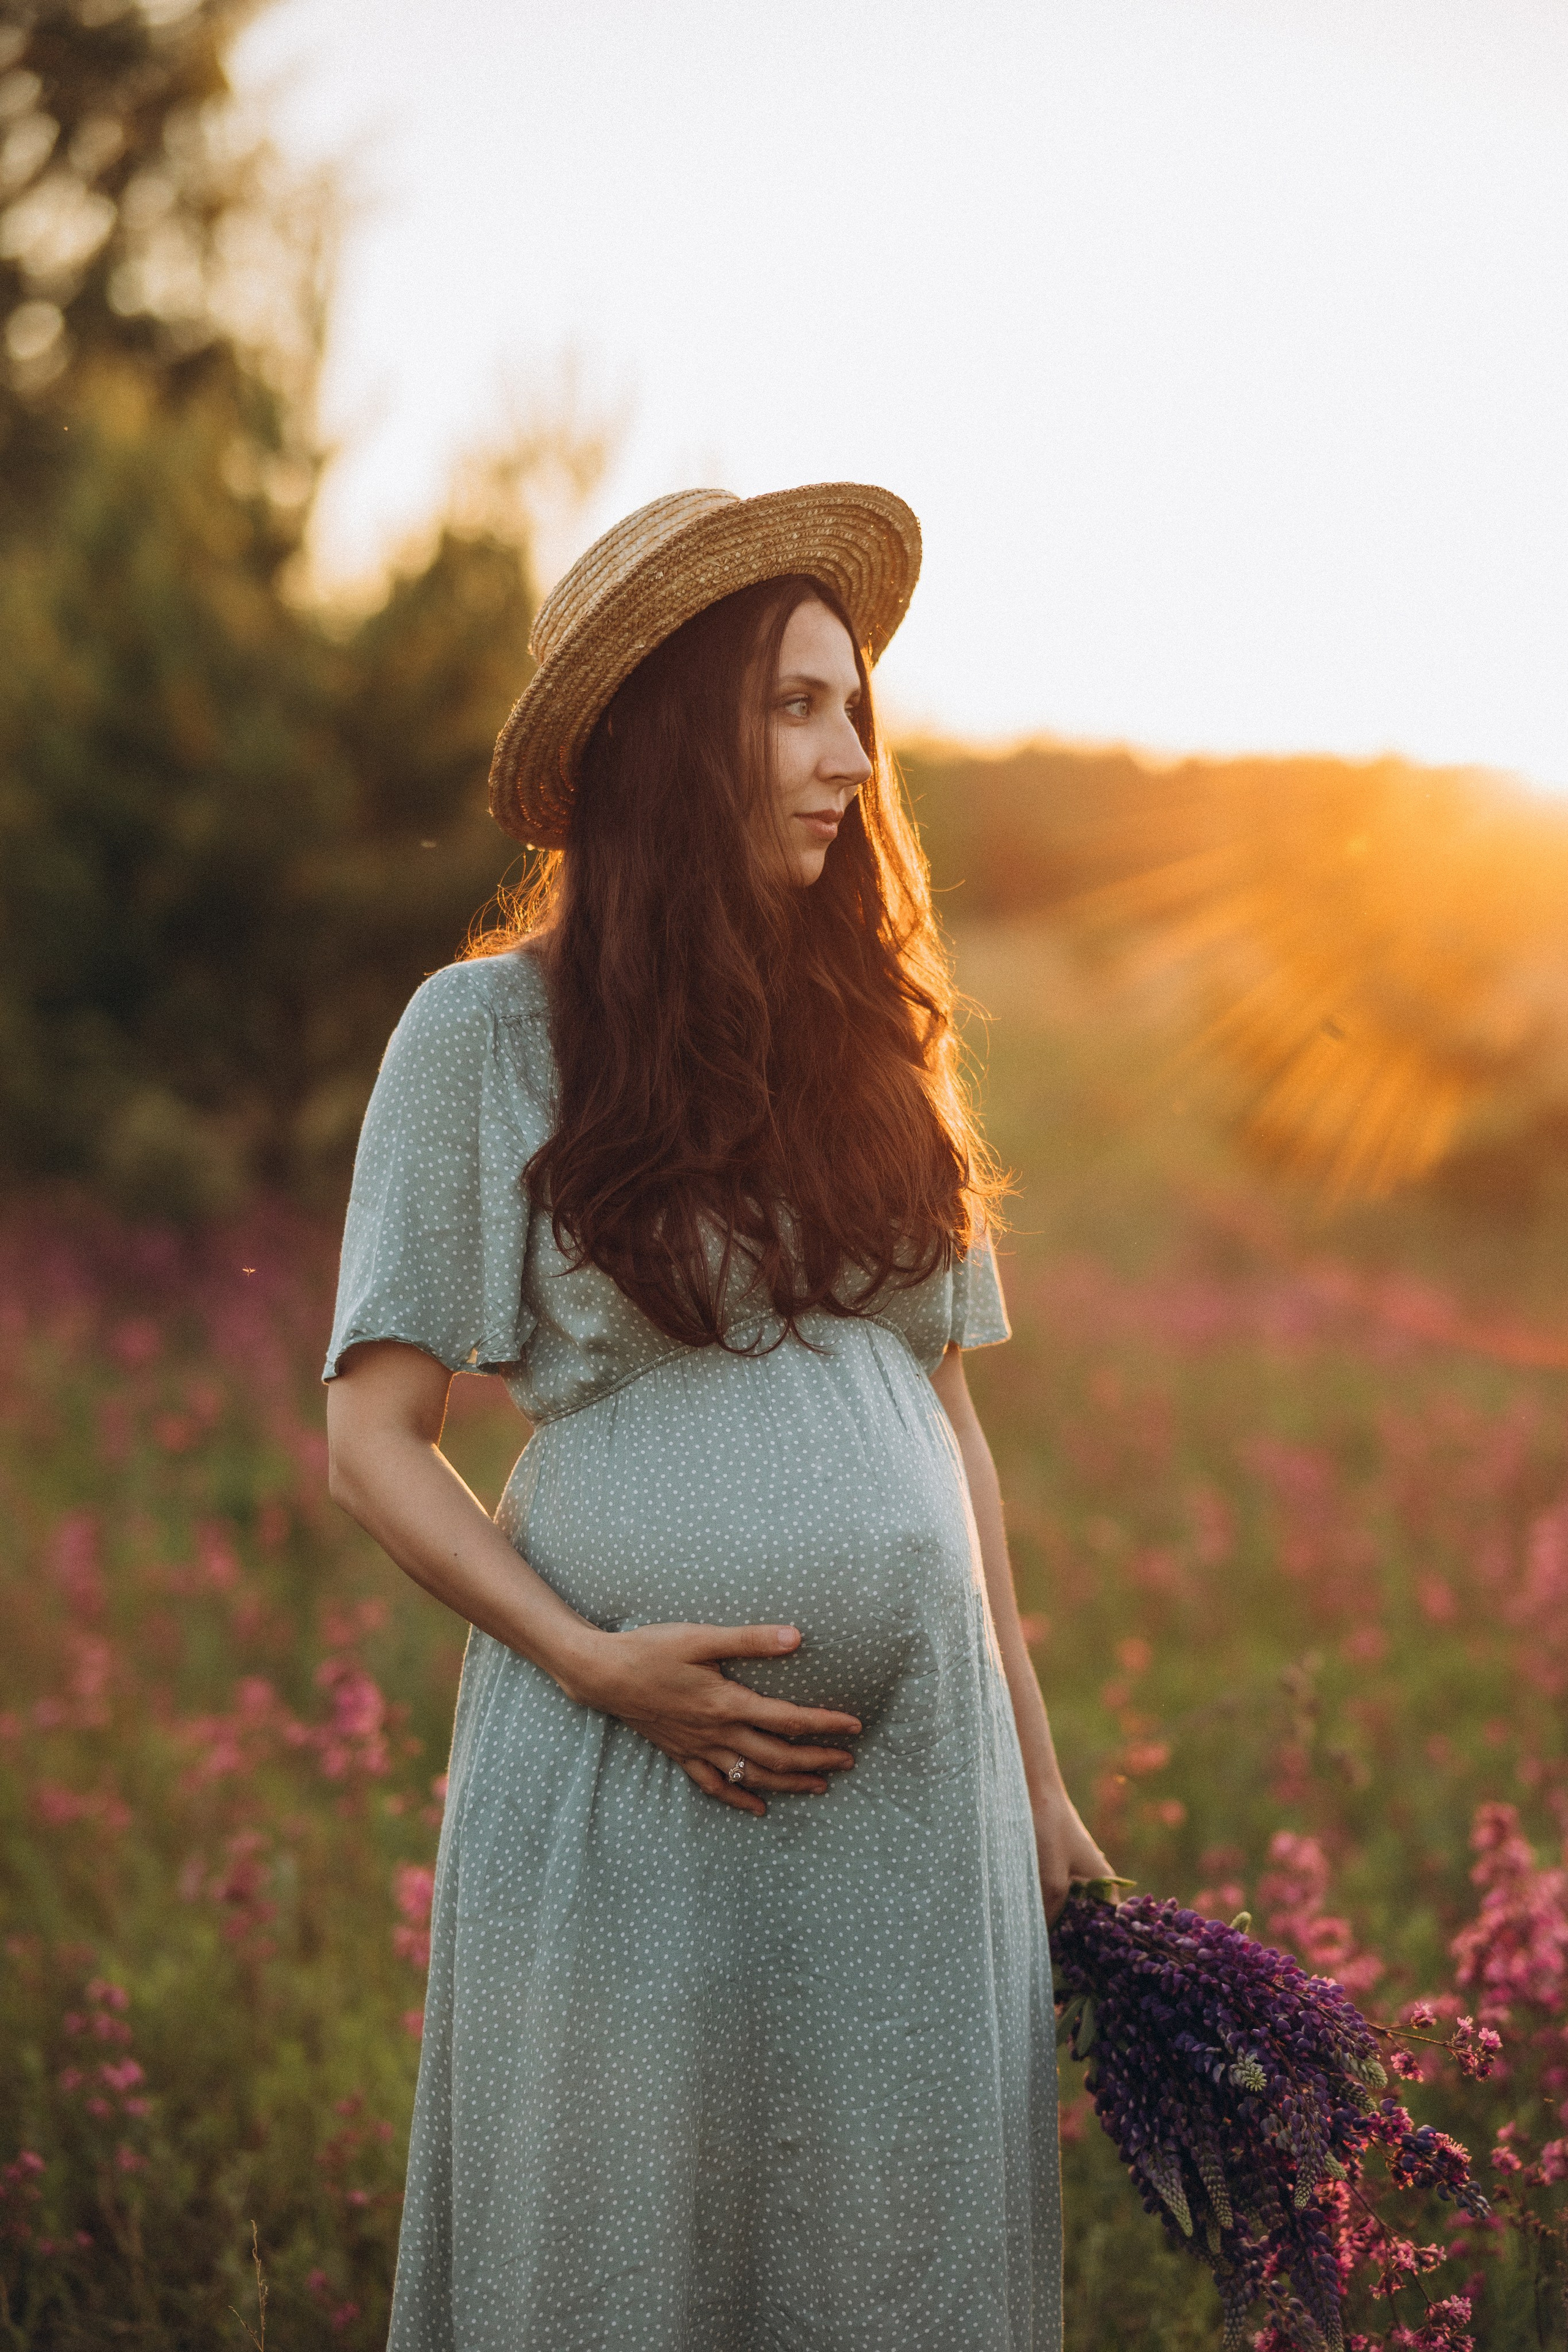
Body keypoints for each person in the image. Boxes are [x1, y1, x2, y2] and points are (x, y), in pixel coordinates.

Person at [324, 483, 1113, 2351]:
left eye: (857, 710)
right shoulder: (483, 1035)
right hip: (631, 1777)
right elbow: (373, 1437)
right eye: (796, 708)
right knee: (626, 2250)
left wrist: (1043, 1785)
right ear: (675, 739)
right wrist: (595, 1664)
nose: (853, 758)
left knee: (892, 2259)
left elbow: (947, 1429)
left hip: (918, 1801)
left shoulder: (875, 1036)